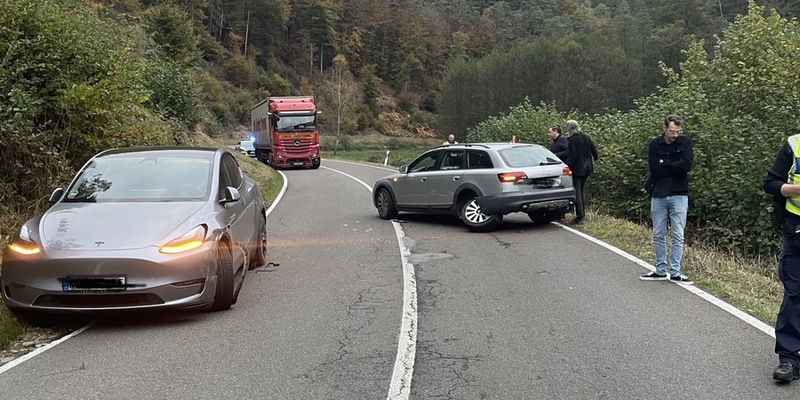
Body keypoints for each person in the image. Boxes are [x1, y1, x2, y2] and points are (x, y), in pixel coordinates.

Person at [763, 132, 800, 382]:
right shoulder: (794, 144)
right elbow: (770, 183)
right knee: (795, 293)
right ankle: (789, 359)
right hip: (796, 229)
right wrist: (796, 189)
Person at [640, 115, 694, 284]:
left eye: (678, 131)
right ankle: (660, 269)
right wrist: (673, 165)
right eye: (672, 131)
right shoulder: (655, 145)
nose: (675, 135)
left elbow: (687, 166)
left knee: (678, 234)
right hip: (659, 193)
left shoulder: (685, 143)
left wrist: (665, 163)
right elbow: (655, 169)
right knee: (658, 233)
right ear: (664, 128)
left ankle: (676, 271)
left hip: (679, 193)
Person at [565, 120, 598, 225]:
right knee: (582, 191)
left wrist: (567, 166)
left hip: (577, 169)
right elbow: (595, 151)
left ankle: (580, 216)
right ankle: (582, 214)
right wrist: (593, 160)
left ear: (569, 129)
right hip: (587, 168)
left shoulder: (572, 141)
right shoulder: (586, 137)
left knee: (577, 192)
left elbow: (572, 157)